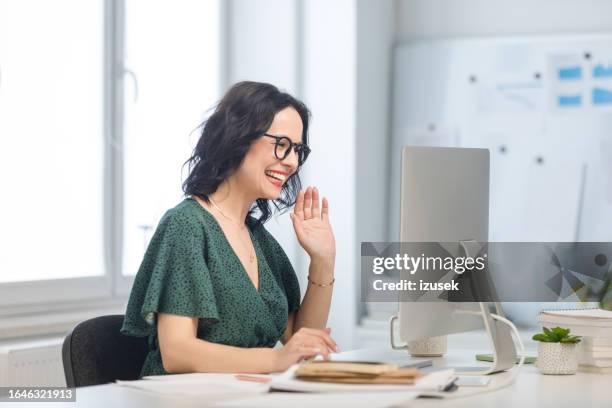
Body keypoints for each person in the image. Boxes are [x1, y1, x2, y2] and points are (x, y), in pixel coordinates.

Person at [121, 81, 337, 376]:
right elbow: (177, 352)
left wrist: (323, 261)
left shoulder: (260, 240)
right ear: (238, 137)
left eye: (298, 150)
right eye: (282, 145)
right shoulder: (186, 225)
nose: (292, 162)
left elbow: (300, 344)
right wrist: (274, 360)